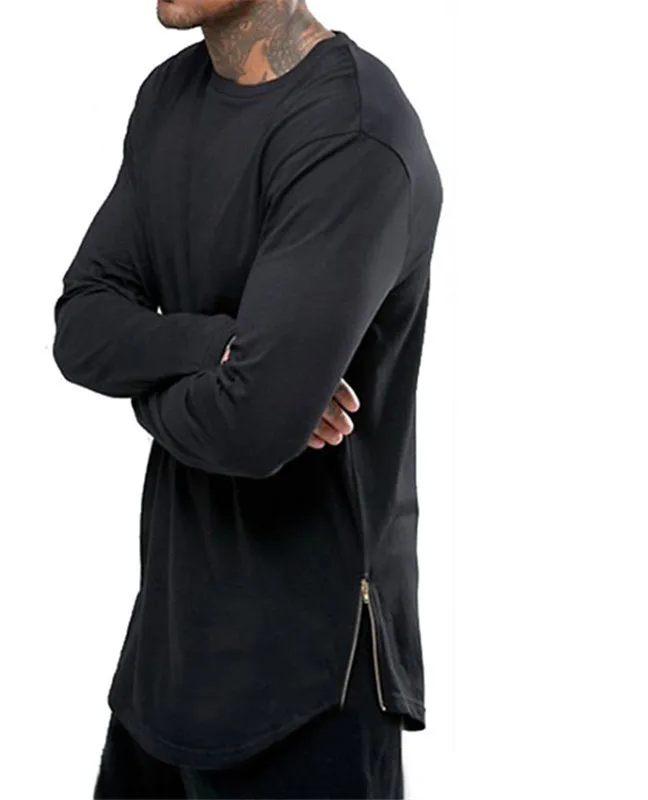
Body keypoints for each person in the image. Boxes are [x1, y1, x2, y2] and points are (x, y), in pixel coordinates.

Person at [52, 0, 443, 797]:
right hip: (166, 659)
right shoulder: (168, 97)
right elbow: (82, 325)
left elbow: (254, 428)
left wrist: (153, 385)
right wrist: (215, 350)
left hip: (310, 685)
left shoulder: (352, 134)